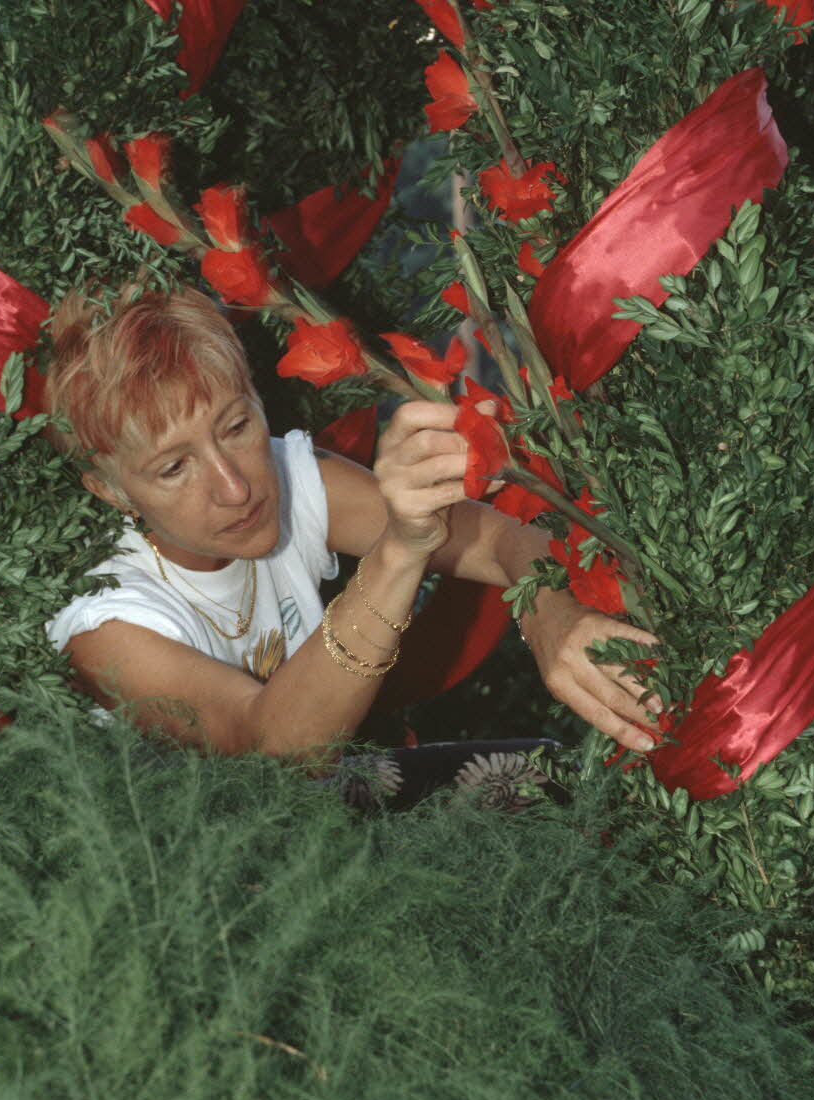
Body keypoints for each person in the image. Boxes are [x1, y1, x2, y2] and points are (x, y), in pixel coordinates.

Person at [44, 283, 661, 778]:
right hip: (192, 888)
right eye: (174, 467)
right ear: (112, 490)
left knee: (548, 778)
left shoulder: (289, 479)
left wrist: (551, 612)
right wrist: (400, 550)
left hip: (328, 830)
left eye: (236, 426)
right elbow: (273, 754)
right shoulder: (105, 624)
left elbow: (503, 537)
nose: (235, 487)